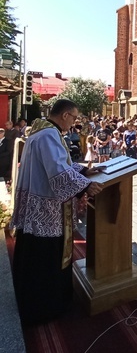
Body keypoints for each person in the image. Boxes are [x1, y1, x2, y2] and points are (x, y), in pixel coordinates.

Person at [10, 99, 104, 325]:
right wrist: (85, 185)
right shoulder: (50, 136)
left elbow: (60, 165)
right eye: (74, 117)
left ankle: (30, 300)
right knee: (44, 258)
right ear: (64, 115)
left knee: (33, 254)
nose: (74, 123)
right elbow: (58, 173)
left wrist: (83, 170)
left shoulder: (40, 132)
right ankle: (45, 307)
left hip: (37, 203)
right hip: (47, 208)